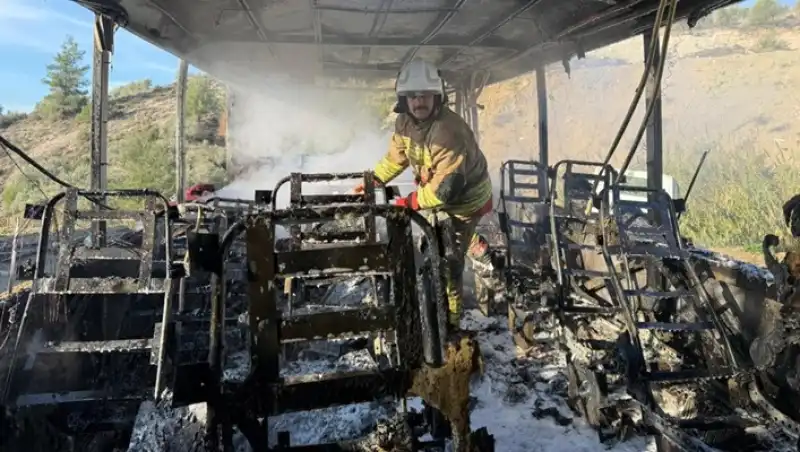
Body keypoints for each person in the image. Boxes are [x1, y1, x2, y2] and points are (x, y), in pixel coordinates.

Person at [354, 59, 493, 332]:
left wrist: (409, 203)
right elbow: (396, 158)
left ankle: (450, 325)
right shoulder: (404, 123)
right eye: (413, 96)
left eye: (425, 95)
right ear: (404, 99)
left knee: (447, 262)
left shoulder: (449, 131)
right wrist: (373, 180)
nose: (420, 102)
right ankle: (474, 243)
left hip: (464, 200)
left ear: (436, 96)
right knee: (437, 233)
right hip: (440, 194)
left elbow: (445, 189)